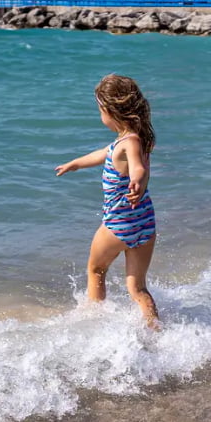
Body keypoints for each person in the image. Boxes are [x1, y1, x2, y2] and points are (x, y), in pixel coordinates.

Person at [56, 73, 160, 328]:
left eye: (100, 110)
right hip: (144, 222)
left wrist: (138, 178)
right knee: (137, 287)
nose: (100, 115)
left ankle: (95, 323)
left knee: (96, 270)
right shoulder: (138, 138)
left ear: (111, 111)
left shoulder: (130, 143)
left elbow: (137, 167)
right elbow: (104, 154)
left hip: (119, 222)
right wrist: (75, 164)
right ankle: (156, 328)